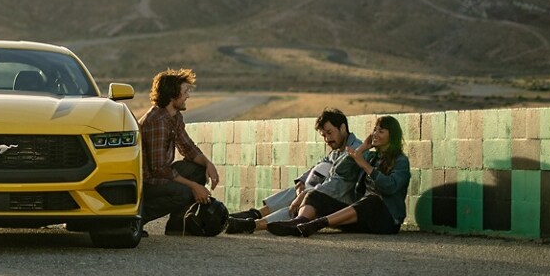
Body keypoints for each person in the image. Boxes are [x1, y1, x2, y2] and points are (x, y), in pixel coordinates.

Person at [270, 115, 411, 237]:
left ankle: (316, 224)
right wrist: (361, 150)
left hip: (386, 222)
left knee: (373, 201)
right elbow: (341, 170)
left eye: (381, 131)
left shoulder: (401, 161)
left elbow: (390, 187)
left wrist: (366, 167)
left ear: (392, 135)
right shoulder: (371, 156)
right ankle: (300, 222)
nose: (375, 134)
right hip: (361, 218)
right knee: (314, 194)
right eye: (374, 130)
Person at [225, 108, 361, 234]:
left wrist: (306, 194)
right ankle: (255, 214)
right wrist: (302, 183)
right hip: (327, 197)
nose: (327, 139)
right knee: (297, 190)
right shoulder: (337, 150)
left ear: (342, 128)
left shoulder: (355, 150)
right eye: (324, 135)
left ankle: (253, 225)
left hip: (344, 206)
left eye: (329, 133)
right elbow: (318, 166)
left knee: (307, 200)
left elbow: (335, 186)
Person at [137, 68, 221, 237]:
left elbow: (188, 148)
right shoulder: (157, 121)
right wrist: (194, 186)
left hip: (159, 175)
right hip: (146, 181)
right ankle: (137, 219)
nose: (188, 96)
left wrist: (208, 164)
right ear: (172, 96)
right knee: (184, 192)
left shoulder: (174, 116)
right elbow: (159, 168)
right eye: (185, 92)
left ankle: (176, 225)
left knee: (197, 170)